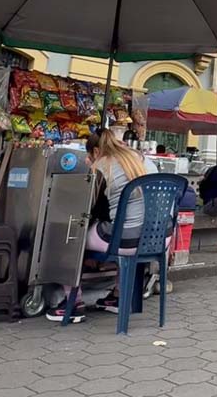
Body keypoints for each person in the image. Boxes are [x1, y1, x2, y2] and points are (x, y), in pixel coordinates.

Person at [47, 129, 149, 322]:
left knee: (68, 237)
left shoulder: (103, 165)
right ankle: (118, 295)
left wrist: (92, 168)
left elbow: (87, 206)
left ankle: (73, 304)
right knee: (118, 227)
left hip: (123, 239)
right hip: (149, 238)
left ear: (95, 151)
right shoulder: (136, 161)